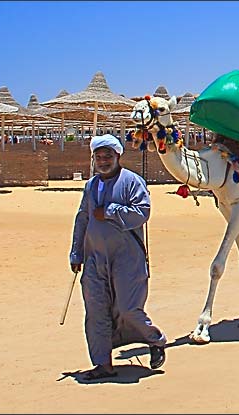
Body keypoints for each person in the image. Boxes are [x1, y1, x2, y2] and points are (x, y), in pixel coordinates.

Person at [69, 134, 167, 380]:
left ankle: (154, 339)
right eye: (98, 157)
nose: (103, 161)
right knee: (96, 309)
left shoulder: (133, 182)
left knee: (127, 307)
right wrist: (76, 252)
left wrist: (111, 212)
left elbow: (142, 212)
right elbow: (83, 218)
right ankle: (103, 363)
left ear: (118, 156)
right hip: (94, 258)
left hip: (127, 258)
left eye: (107, 157)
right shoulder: (91, 185)